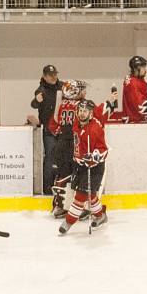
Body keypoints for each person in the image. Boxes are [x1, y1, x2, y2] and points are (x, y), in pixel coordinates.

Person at [58, 99, 109, 234]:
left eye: (85, 111)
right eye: (80, 111)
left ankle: (68, 222)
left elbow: (103, 150)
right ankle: (100, 216)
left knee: (81, 195)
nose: (81, 113)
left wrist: (94, 157)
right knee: (90, 195)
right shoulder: (77, 123)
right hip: (80, 165)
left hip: (94, 168)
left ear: (90, 114)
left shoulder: (95, 129)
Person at [49, 79, 87, 217]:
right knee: (75, 175)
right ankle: (74, 206)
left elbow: (53, 125)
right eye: (83, 89)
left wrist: (61, 133)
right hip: (73, 144)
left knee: (62, 174)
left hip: (61, 143)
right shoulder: (81, 105)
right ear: (75, 91)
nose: (85, 92)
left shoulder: (61, 104)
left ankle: (59, 206)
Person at [31, 64, 62, 196]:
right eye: (51, 75)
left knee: (63, 156)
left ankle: (62, 183)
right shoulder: (41, 90)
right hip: (48, 130)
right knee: (49, 156)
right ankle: (47, 185)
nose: (54, 77)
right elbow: (33, 104)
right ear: (44, 76)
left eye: (55, 74)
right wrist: (36, 101)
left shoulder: (62, 87)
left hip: (62, 128)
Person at [122, 55, 147, 123]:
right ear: (137, 68)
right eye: (143, 67)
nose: (145, 70)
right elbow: (138, 102)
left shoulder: (138, 79)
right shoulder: (133, 82)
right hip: (135, 120)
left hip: (137, 119)